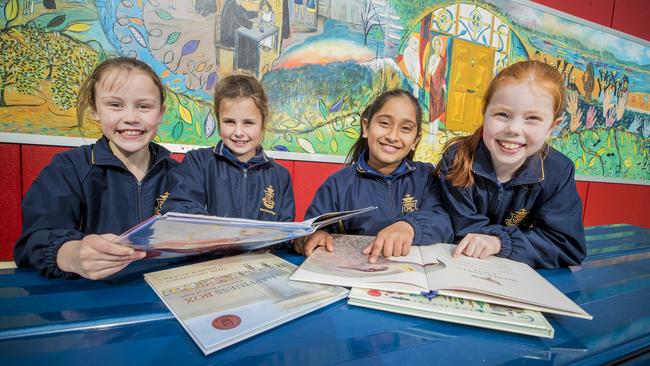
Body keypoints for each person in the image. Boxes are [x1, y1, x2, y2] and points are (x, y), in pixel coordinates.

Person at [14, 57, 178, 279]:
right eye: (115, 105)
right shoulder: (68, 168)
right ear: (95, 110)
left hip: (165, 297)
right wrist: (70, 254)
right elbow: (32, 241)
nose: (130, 117)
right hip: (90, 297)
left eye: (144, 106)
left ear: (160, 113)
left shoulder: (180, 175)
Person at [435, 60, 586, 269]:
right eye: (502, 114)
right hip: (461, 266)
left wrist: (500, 242)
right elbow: (462, 227)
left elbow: (566, 245)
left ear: (553, 126)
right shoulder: (457, 158)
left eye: (532, 118)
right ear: (484, 112)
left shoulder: (558, 171)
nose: (514, 129)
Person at [294, 89, 454, 263]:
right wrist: (316, 237)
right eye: (384, 123)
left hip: (412, 275)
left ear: (415, 140)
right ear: (366, 127)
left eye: (406, 128)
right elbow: (310, 231)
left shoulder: (426, 177)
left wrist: (410, 227)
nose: (393, 136)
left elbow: (444, 222)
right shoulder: (338, 184)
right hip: (360, 273)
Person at [163, 73, 295, 223]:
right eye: (229, 122)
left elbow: (284, 232)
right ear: (219, 123)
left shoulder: (280, 176)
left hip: (260, 248)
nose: (238, 132)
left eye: (248, 123)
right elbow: (179, 208)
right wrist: (216, 232)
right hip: (209, 245)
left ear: (262, 124)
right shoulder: (198, 162)